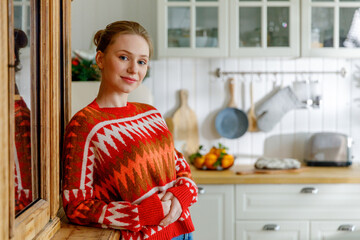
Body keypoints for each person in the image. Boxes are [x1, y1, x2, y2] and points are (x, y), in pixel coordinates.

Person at [62, 21, 198, 240]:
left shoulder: (152, 114)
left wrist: (181, 195)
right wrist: (141, 214)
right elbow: (76, 206)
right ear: (100, 59)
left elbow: (181, 168)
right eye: (124, 57)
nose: (134, 69)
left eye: (142, 61)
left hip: (183, 231)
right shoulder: (84, 125)